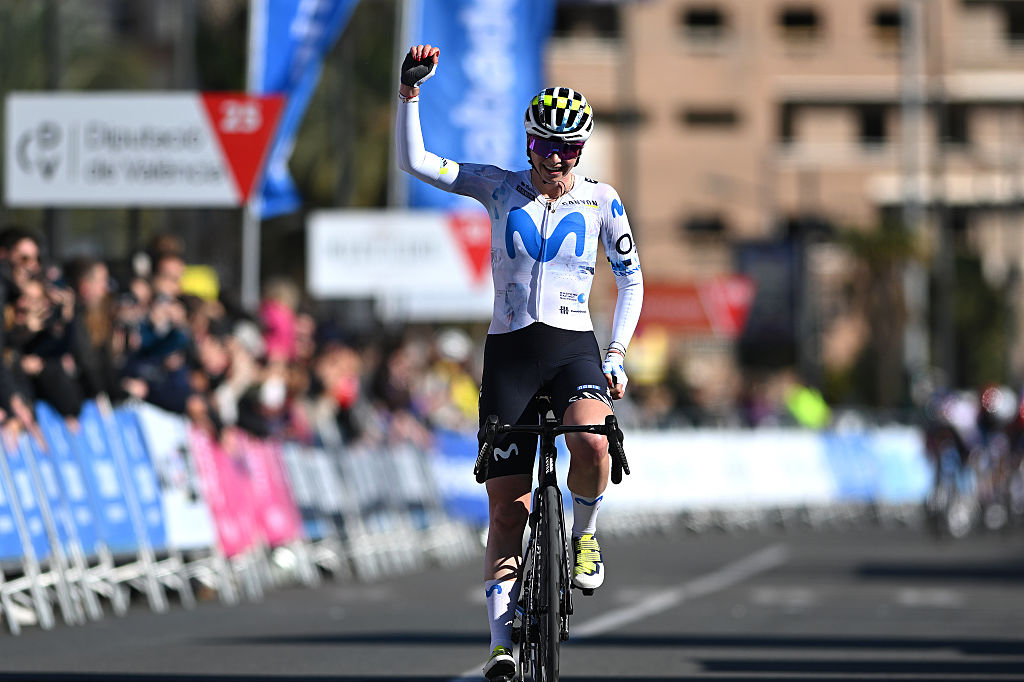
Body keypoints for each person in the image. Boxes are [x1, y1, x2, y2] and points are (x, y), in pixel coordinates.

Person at [396, 44, 643, 680]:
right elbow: (417, 162)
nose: (557, 161)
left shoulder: (603, 200)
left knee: (591, 446)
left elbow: (631, 281)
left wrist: (616, 354)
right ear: (528, 143)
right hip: (509, 352)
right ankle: (502, 645)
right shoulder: (497, 185)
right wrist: (410, 97)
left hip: (571, 346)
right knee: (507, 510)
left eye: (570, 150)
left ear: (582, 151)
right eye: (546, 147)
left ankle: (584, 532)